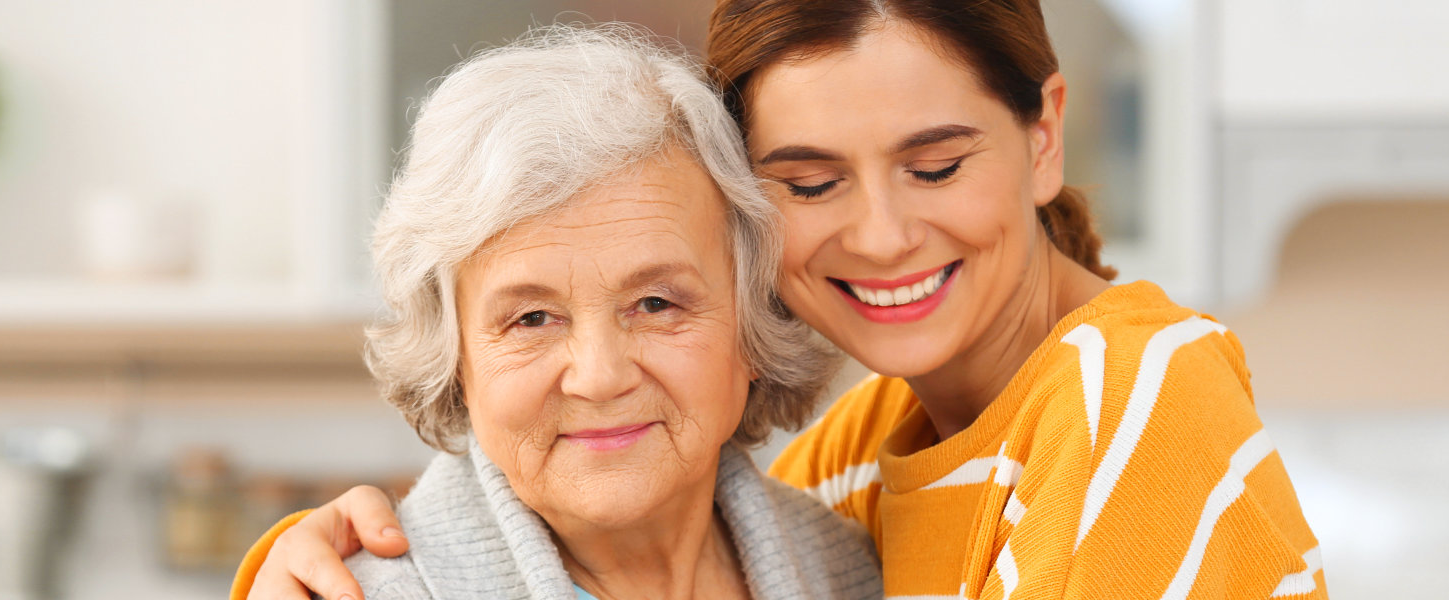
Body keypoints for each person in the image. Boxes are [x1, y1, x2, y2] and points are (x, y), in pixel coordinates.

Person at [240, 1, 1326, 599]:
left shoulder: (1135, 401)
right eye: (810, 183)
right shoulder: (858, 467)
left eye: (937, 165)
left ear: (1045, 135)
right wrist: (311, 558)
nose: (884, 233)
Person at [251, 23, 882, 600]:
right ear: (457, 362)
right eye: (531, 318)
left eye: (656, 303)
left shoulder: (856, 570)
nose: (600, 376)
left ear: (751, 325)